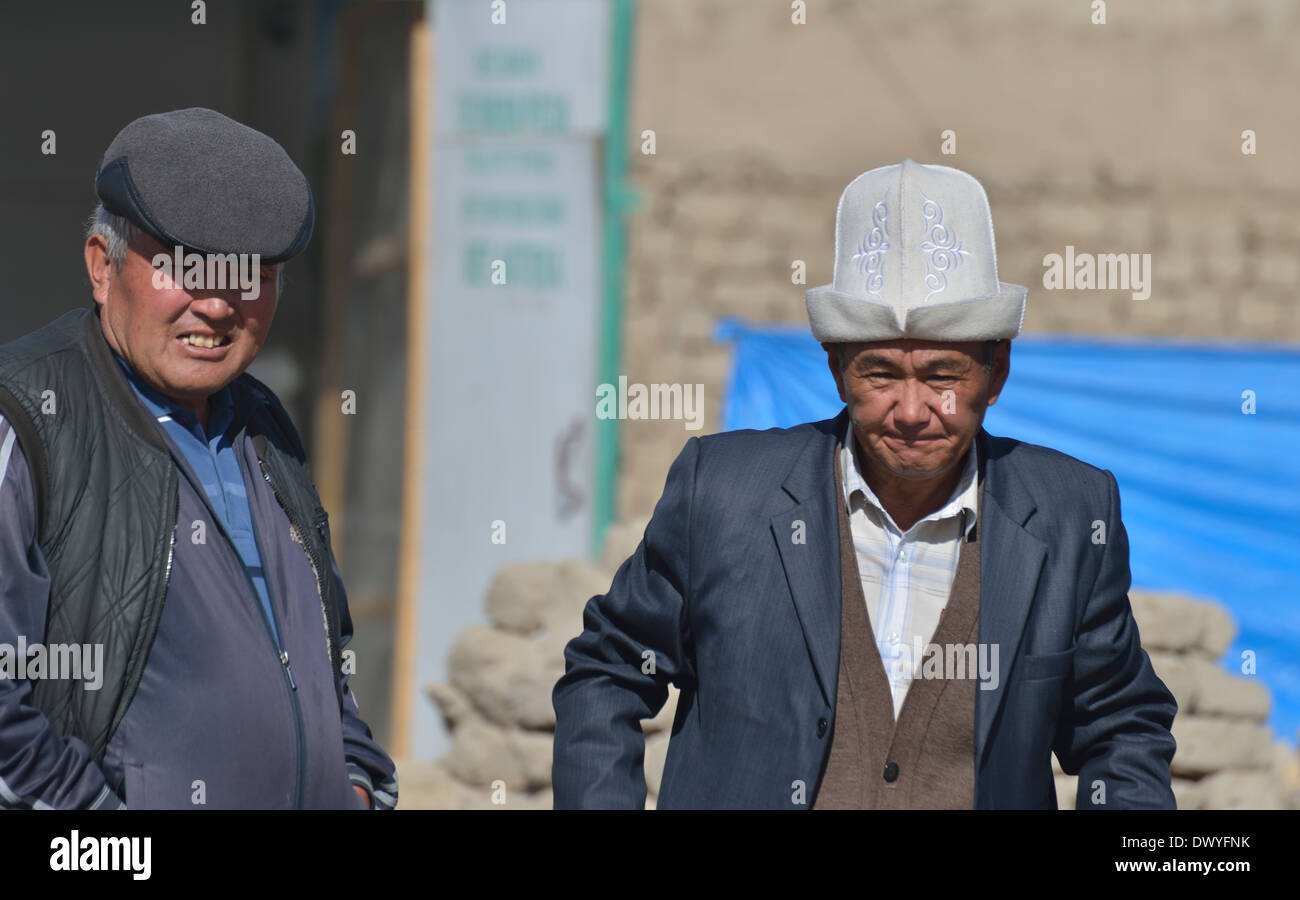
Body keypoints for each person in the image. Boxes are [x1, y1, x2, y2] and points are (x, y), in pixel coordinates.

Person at [552, 159, 1178, 809]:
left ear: (997, 374)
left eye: (943, 375)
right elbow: (609, 672)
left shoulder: (1069, 514)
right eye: (880, 374)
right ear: (836, 368)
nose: (911, 411)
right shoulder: (726, 495)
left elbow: (1119, 728)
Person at [0, 107, 396, 809]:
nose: (217, 306)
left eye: (249, 273)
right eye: (185, 267)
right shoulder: (27, 423)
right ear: (102, 265)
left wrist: (358, 781)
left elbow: (320, 655)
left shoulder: (265, 424)